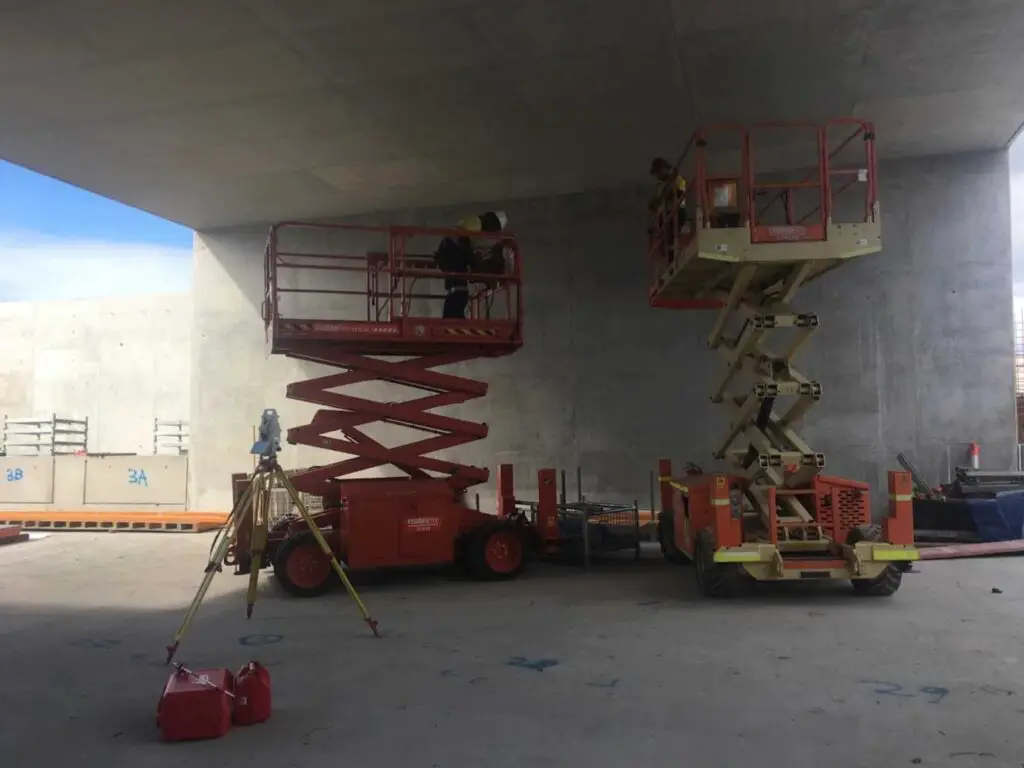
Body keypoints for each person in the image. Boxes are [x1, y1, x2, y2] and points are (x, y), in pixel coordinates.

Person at [435, 210, 508, 319]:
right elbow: (464, 242)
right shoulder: (476, 223)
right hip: (452, 253)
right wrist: (474, 262)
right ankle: (455, 319)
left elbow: (466, 244)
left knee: (453, 291)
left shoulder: (471, 221)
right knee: (460, 291)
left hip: (447, 253)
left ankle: (450, 318)